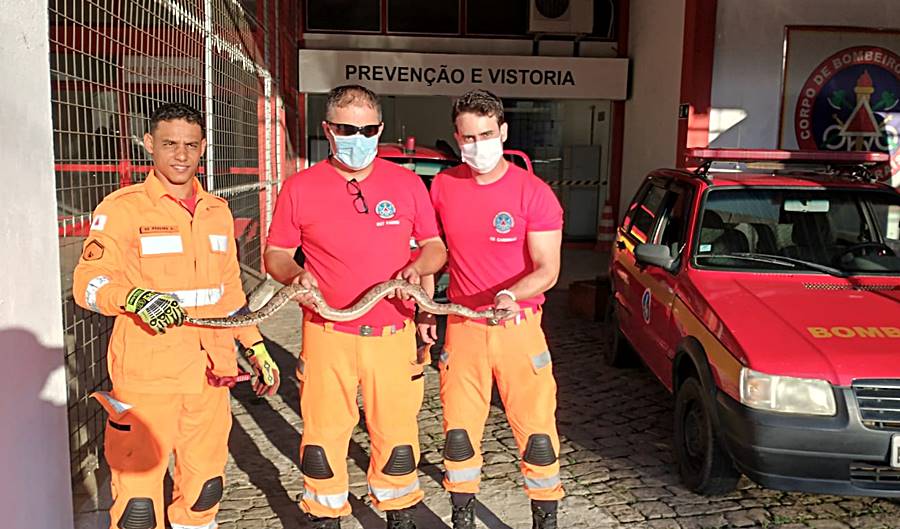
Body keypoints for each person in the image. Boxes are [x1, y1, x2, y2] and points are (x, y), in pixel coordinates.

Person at [73, 102, 280, 529]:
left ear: (203, 148)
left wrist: (255, 346)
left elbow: (229, 292)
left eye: (190, 145)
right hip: (148, 379)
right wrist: (133, 298)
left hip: (210, 376)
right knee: (138, 508)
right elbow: (88, 283)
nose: (181, 155)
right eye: (169, 144)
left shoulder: (216, 211)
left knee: (205, 491)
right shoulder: (124, 209)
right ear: (149, 144)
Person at [263, 85, 447, 529]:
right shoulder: (300, 187)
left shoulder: (406, 184)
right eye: (346, 129)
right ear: (328, 129)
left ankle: (399, 513)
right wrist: (294, 275)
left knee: (397, 438)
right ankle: (325, 514)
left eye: (366, 130)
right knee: (323, 441)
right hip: (328, 334)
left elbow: (435, 247)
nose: (357, 138)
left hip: (392, 334)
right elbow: (276, 254)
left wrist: (417, 268)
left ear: (379, 130)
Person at [420, 89, 565, 529]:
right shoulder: (443, 187)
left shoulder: (534, 193)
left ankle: (545, 517)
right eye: (468, 137)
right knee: (459, 433)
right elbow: (432, 252)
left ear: (502, 131)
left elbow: (548, 269)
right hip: (463, 324)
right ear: (456, 138)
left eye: (485, 135)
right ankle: (462, 515)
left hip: (518, 326)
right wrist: (426, 308)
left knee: (537, 433)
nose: (477, 145)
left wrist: (510, 295)